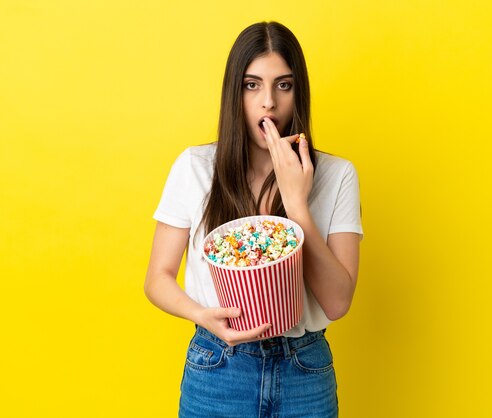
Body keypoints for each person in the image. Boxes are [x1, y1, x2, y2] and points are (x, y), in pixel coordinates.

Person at [145, 21, 363, 418]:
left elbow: (337, 302)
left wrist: (298, 205)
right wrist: (202, 316)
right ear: (235, 93)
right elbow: (157, 278)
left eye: (283, 84)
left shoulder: (338, 175)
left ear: (299, 93)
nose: (268, 103)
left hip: (305, 370)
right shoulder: (195, 168)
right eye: (252, 85)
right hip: (218, 367)